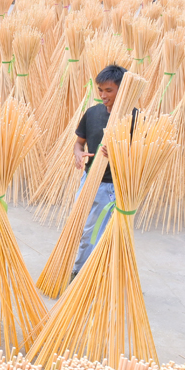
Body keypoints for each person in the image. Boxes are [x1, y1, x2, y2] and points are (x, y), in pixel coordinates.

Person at [71, 64, 136, 281]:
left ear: (122, 89)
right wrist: (79, 155)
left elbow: (142, 158)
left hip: (111, 187)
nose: (103, 95)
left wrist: (119, 153)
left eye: (109, 90)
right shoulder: (92, 113)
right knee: (79, 227)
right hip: (89, 180)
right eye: (100, 90)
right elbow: (79, 143)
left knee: (93, 232)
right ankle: (85, 271)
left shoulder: (134, 119)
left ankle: (82, 275)